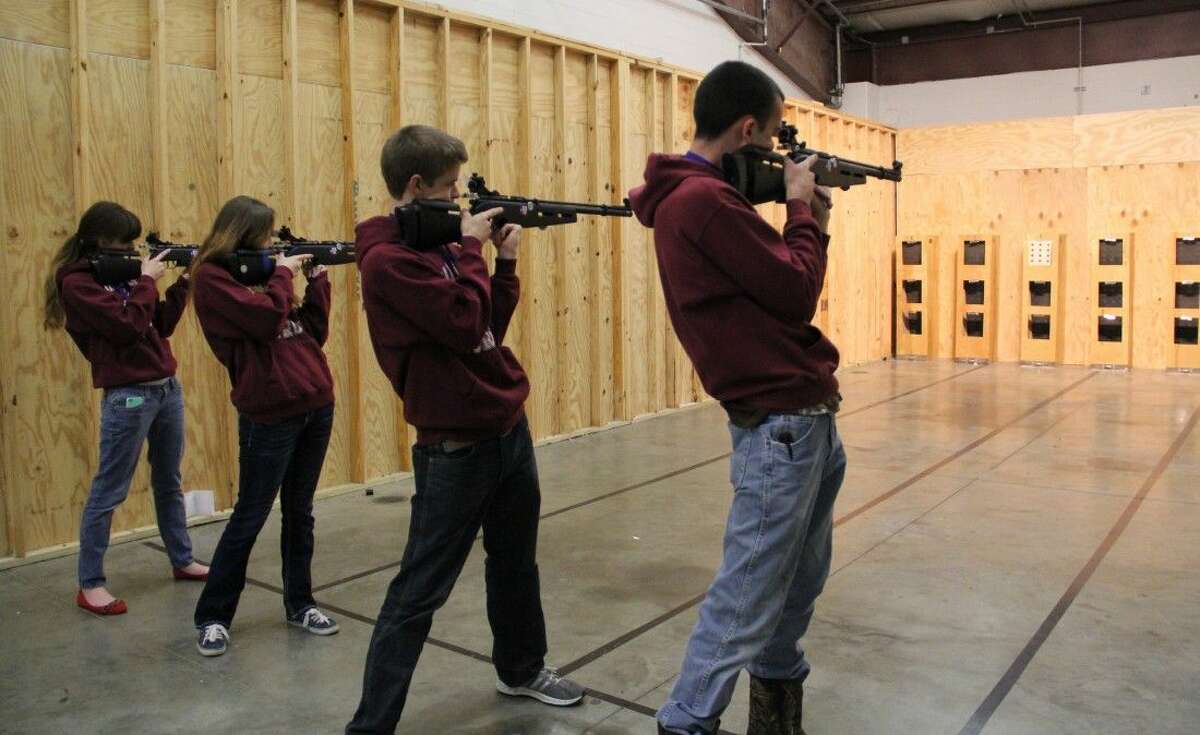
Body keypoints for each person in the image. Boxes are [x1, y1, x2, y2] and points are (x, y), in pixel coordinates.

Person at [628, 60, 845, 735]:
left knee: (795, 586)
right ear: (748, 128)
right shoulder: (704, 202)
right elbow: (794, 290)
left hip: (800, 418)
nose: (776, 156)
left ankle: (775, 715)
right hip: (780, 421)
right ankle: (686, 719)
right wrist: (804, 209)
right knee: (748, 592)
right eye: (772, 139)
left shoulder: (702, 199)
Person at [346, 125, 583, 733]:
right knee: (418, 592)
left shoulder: (447, 244)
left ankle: (521, 668)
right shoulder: (388, 261)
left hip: (505, 427)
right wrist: (475, 250)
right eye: (450, 187)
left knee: (515, 562)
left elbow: (484, 331)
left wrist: (503, 262)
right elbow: (458, 321)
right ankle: (370, 725)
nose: (458, 199)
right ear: (415, 186)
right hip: (454, 446)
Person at [190, 196, 339, 656]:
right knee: (250, 517)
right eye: (267, 237)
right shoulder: (212, 279)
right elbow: (262, 320)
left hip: (315, 402)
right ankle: (213, 616)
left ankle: (300, 603)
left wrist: (317, 284)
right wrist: (283, 274)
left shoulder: (266, 277)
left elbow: (310, 331)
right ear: (244, 234)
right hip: (268, 412)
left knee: (301, 511)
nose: (273, 245)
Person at [45, 200, 208, 617]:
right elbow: (125, 326)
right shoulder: (76, 283)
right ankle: (91, 583)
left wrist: (185, 281)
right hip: (128, 394)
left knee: (168, 479)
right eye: (125, 244)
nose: (132, 252)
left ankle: (181, 558)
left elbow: (159, 325)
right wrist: (147, 281)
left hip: (165, 387)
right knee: (110, 488)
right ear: (99, 241)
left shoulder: (125, 277)